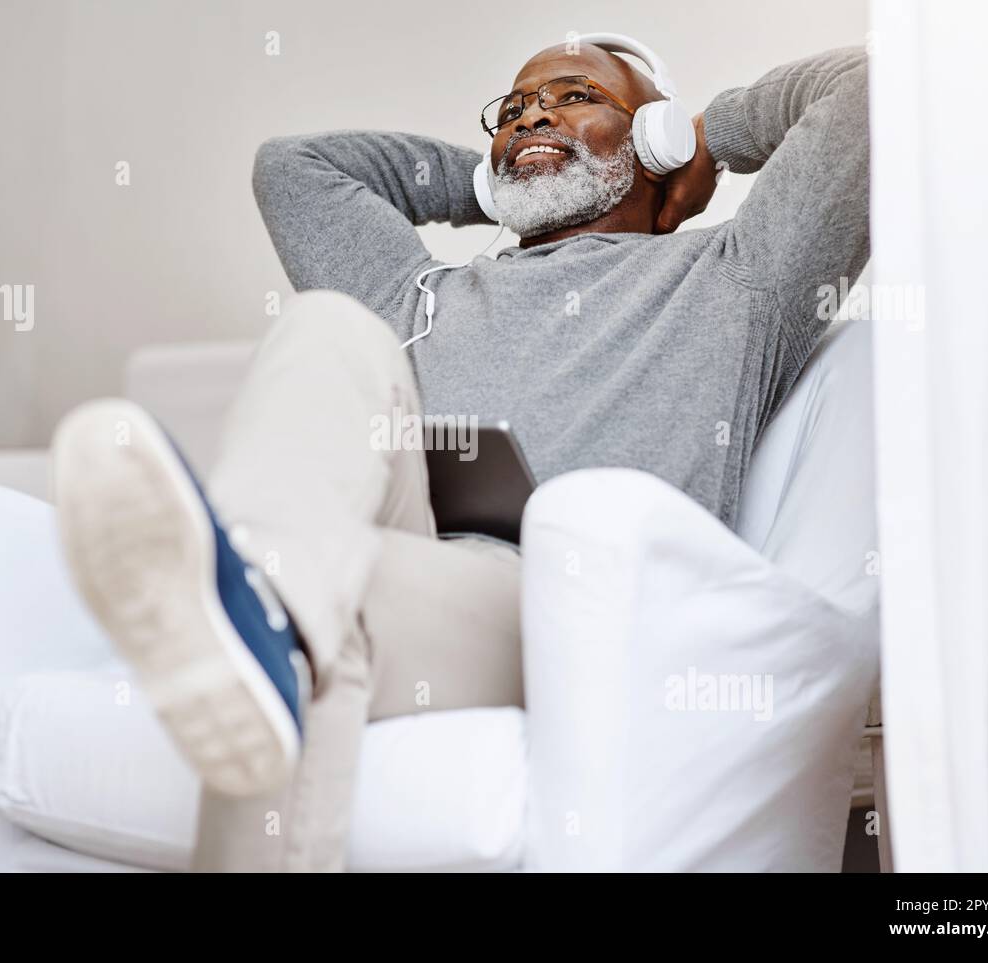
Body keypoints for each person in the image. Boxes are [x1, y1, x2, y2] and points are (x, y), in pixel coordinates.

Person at [51, 39, 870, 871]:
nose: (533, 115)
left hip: (565, 610)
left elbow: (876, 90)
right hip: (407, 571)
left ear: (651, 139)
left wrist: (708, 132)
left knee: (322, 619)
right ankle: (263, 599)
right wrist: (485, 186)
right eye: (512, 112)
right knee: (327, 330)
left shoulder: (734, 280)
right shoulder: (424, 299)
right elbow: (292, 168)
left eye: (574, 95)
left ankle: (252, 605)